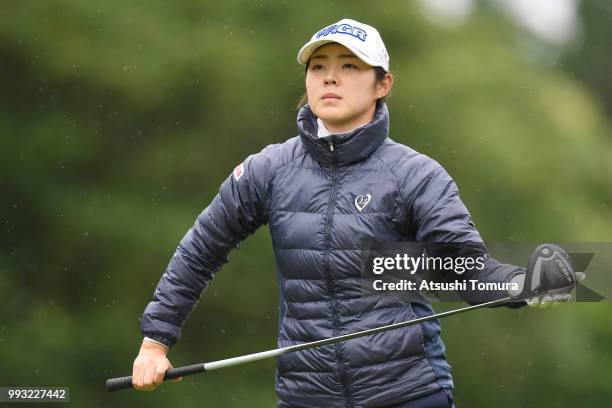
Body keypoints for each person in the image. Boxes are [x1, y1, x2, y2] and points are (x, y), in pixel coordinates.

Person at [131, 18, 580, 407]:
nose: (330, 78)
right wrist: (156, 342)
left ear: (382, 84)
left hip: (407, 394)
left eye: (349, 67)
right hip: (306, 396)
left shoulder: (415, 174)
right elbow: (202, 249)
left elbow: (461, 269)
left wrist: (523, 284)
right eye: (319, 67)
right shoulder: (268, 169)